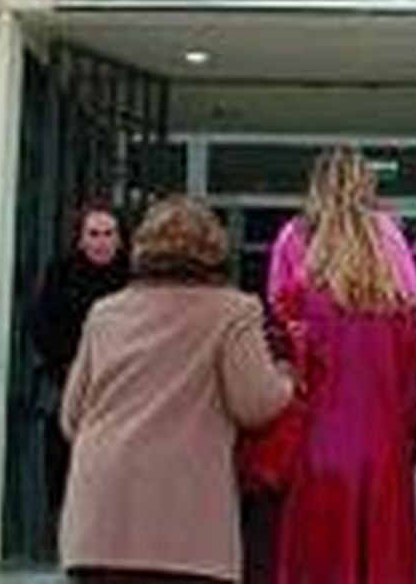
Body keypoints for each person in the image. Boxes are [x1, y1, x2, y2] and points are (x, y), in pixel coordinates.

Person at [60, 196, 294, 584]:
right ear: (213, 248)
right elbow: (254, 404)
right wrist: (286, 377)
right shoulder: (233, 311)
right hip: (185, 520)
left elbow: (72, 418)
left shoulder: (105, 312)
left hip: (100, 515)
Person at [270, 147, 416, 584]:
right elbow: (411, 371)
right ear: (365, 185)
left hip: (316, 440)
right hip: (382, 442)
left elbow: (280, 341)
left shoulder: (292, 243)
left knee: (318, 562)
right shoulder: (390, 243)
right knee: (382, 563)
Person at [29, 204, 127, 519]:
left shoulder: (134, 276)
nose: (101, 242)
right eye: (94, 234)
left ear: (120, 239)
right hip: (68, 380)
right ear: (81, 239)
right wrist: (72, 367)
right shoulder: (60, 272)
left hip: (122, 386)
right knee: (66, 465)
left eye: (109, 234)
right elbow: (42, 326)